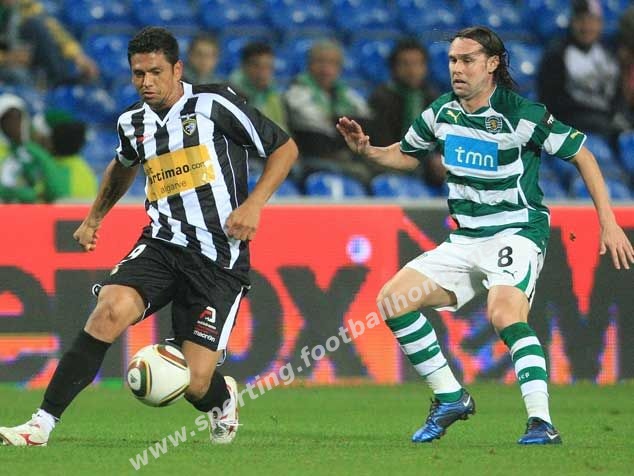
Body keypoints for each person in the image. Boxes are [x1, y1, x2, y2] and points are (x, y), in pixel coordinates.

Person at [0, 26, 298, 446]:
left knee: (195, 383)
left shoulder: (214, 104)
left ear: (177, 69)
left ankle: (223, 398)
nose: (146, 82)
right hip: (161, 243)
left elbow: (285, 149)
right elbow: (123, 165)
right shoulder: (132, 121)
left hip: (218, 257)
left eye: (156, 72)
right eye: (138, 73)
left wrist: (254, 205)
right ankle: (40, 425)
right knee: (107, 312)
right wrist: (94, 218)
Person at [337, 26, 633, 445]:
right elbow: (406, 155)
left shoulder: (521, 114)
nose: (457, 69)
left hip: (516, 231)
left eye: (467, 60)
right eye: (452, 60)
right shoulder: (442, 112)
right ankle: (450, 397)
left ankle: (541, 423)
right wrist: (368, 150)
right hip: (465, 240)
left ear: (492, 63)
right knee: (392, 301)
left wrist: (608, 221)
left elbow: (583, 155)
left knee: (504, 315)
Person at [284, 39, 372, 182]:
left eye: (332, 63)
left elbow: (366, 119)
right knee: (362, 173)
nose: (326, 68)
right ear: (309, 65)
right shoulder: (296, 92)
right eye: (320, 62)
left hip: (344, 154)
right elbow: (317, 127)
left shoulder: (347, 94)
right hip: (312, 156)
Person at [368, 38, 444, 187]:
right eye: (405, 64)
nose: (412, 70)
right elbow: (383, 144)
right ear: (394, 68)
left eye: (417, 64)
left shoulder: (433, 98)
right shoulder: (381, 98)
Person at [537, 0, 619, 137]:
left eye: (592, 21)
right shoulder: (557, 54)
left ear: (600, 24)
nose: (586, 27)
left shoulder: (608, 54)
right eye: (581, 20)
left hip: (606, 122)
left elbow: (617, 94)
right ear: (572, 22)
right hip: (572, 123)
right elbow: (552, 101)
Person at [0, 0, 99, 86]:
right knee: (18, 76)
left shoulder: (23, 4)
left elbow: (50, 26)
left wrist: (77, 55)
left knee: (36, 25)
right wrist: (7, 58)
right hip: (5, 63)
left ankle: (59, 79)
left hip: (17, 57)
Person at [0, 93, 65, 203]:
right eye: (8, 119)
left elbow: (56, 189)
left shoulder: (34, 151)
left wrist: (35, 193)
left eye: (18, 118)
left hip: (33, 209)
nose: (14, 124)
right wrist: (12, 192)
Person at [229, 41, 288, 131]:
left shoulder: (274, 92)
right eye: (257, 66)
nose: (263, 72)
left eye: (268, 66)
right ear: (244, 66)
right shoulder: (232, 93)